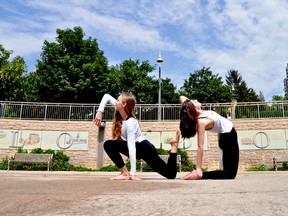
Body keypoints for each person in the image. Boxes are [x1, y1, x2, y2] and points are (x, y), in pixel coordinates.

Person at [94, 93, 180, 180]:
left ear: (124, 104)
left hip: (143, 148)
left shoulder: (130, 123)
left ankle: (125, 173)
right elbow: (107, 96)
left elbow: (131, 147)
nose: (116, 102)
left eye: (118, 100)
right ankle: (174, 146)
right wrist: (100, 111)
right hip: (144, 147)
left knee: (109, 144)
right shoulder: (121, 109)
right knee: (170, 174)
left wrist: (133, 173)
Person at [179, 96, 239, 180]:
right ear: (194, 109)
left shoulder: (198, 112)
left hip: (225, 137)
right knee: (230, 174)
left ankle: (199, 174)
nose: (196, 100)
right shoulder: (201, 122)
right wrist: (198, 168)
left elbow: (181, 97)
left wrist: (188, 105)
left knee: (228, 172)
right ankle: (200, 175)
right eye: (194, 102)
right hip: (229, 138)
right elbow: (200, 146)